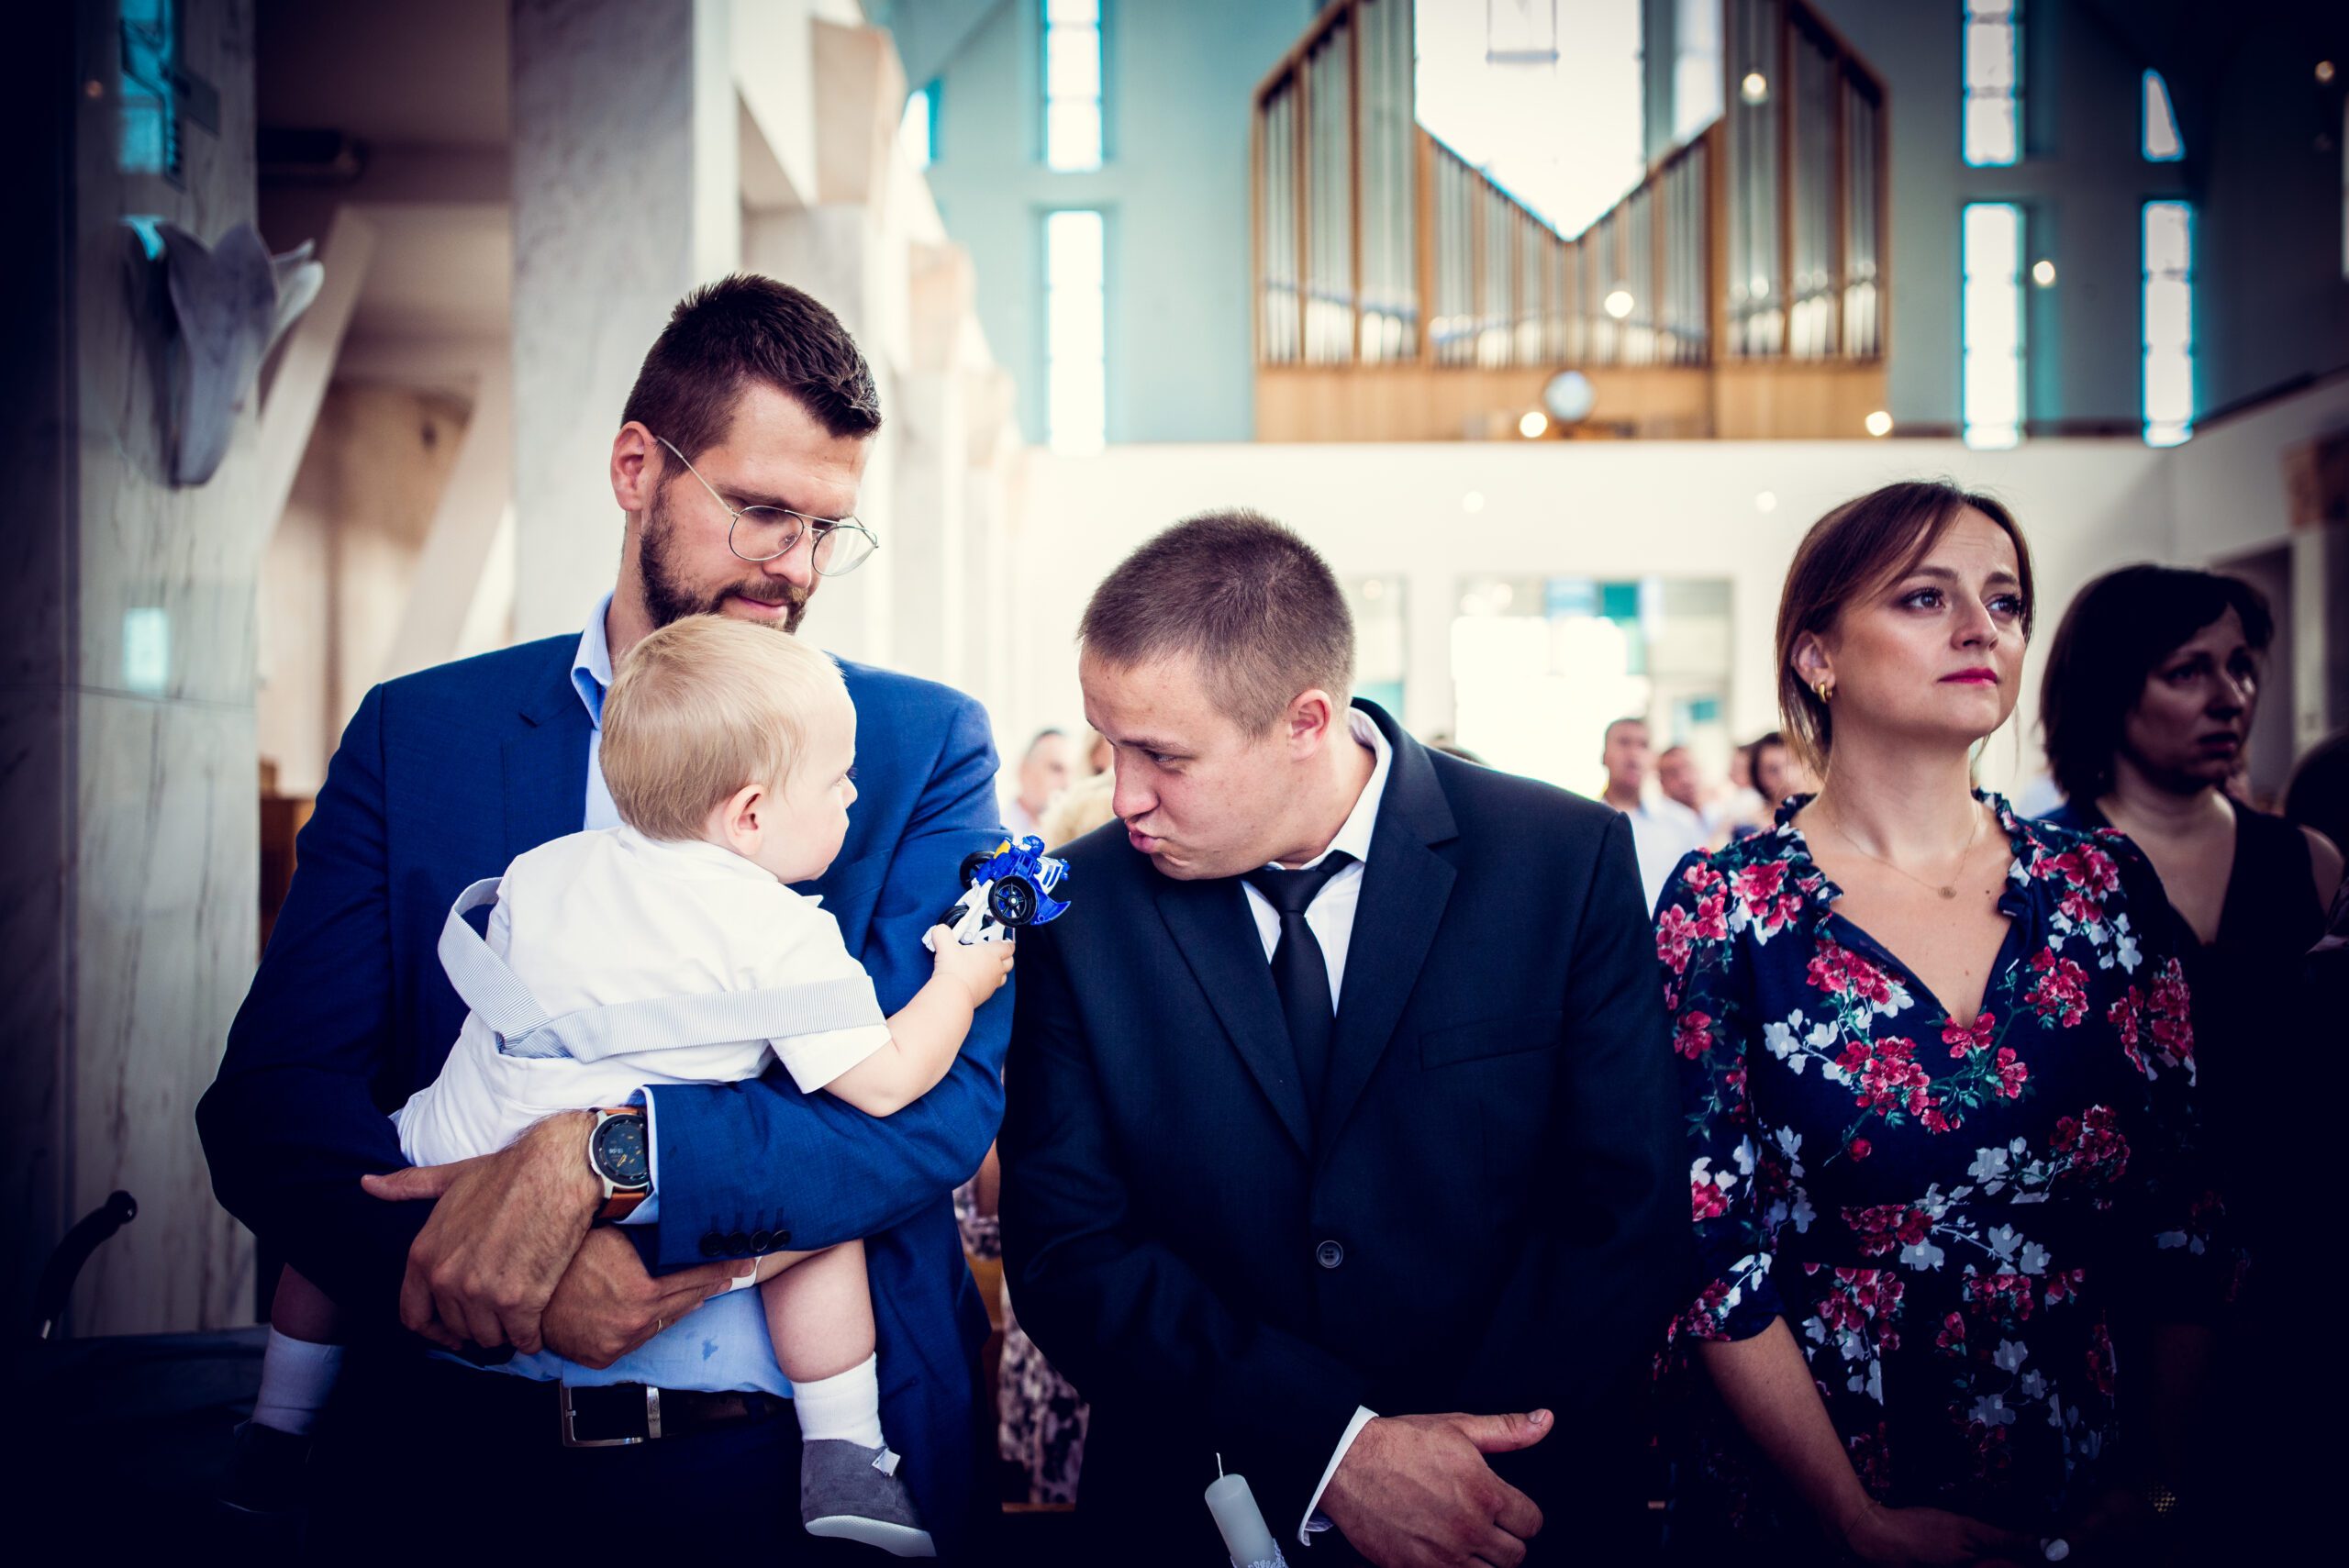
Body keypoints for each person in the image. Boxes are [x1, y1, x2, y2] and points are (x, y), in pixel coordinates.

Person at [199, 277, 1009, 1553]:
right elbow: (274, 1105)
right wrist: (487, 1269)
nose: (792, 568)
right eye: (757, 511)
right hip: (448, 1463)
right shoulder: (423, 736)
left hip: (775, 1475)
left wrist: (615, 1162)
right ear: (639, 467)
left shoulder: (914, 745)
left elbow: (942, 1103)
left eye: (825, 529)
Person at [1000, 510, 1685, 1566]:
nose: (1124, 795)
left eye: (1162, 755)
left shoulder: (1559, 859)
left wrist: (1450, 1463)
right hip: (1198, 1502)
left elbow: (1623, 1205)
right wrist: (1335, 1446)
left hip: (1510, 1502)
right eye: (1110, 746)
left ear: (1305, 719)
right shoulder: (1082, 908)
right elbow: (1068, 1246)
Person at [1656, 482, 2232, 1563]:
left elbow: (2186, 1211)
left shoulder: (2100, 888)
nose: (1983, 629)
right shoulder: (1725, 908)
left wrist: (2156, 1478)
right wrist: (1850, 1517)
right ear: (1815, 655)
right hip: (1811, 1483)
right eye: (1926, 598)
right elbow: (1703, 1247)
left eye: (2005, 602)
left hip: (2080, 1466)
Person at [2037, 564, 2342, 1559]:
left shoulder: (2308, 861)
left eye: (2242, 667)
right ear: (2110, 688)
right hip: (2112, 1289)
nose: (2230, 696)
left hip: (2300, 1275)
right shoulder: (2039, 873)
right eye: (2187, 670)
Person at [1603, 717, 1709, 912]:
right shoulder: (1586, 826)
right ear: (1603, 755)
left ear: (1652, 759)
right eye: (1624, 743)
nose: (1633, 754)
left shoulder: (1682, 823)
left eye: (1643, 745)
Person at [1001, 728, 1075, 839]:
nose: (1067, 783)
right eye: (1056, 769)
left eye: (1074, 773)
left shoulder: (1074, 836)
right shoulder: (996, 834)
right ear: (1024, 770)